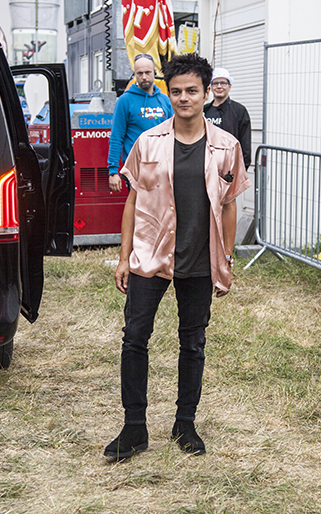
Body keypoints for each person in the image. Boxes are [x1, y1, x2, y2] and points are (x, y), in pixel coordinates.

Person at [104, 53, 251, 461]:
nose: (184, 98)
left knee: (193, 342)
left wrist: (226, 260)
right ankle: (134, 427)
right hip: (150, 255)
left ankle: (185, 424)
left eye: (192, 91)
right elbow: (133, 202)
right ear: (167, 94)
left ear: (206, 94)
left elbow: (229, 206)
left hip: (200, 260)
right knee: (135, 338)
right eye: (176, 91)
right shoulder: (148, 142)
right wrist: (123, 258)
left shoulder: (227, 147)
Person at [107, 53, 173, 192]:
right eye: (140, 73)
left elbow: (175, 133)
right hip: (136, 170)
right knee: (139, 206)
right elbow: (116, 138)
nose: (144, 77)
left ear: (155, 72)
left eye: (148, 72)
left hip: (163, 168)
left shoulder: (165, 100)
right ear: (134, 74)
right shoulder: (124, 101)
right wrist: (113, 171)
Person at [203, 68, 252, 169]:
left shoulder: (239, 111)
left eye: (223, 83)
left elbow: (245, 147)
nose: (219, 86)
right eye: (215, 83)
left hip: (230, 168)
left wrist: (239, 171)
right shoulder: (204, 111)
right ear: (210, 88)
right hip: (206, 167)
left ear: (229, 86)